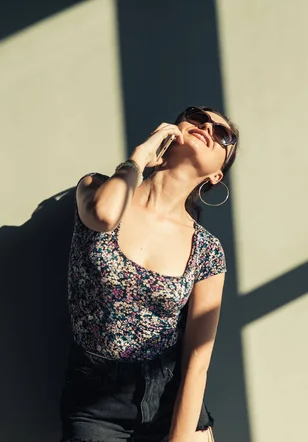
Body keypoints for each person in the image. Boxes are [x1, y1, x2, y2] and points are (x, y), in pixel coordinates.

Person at [61, 106, 239, 442]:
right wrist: (140, 157)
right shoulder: (98, 187)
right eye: (197, 117)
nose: (207, 127)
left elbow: (197, 362)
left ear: (217, 176)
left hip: (171, 397)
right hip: (97, 402)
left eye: (222, 134)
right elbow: (103, 216)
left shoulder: (206, 249)